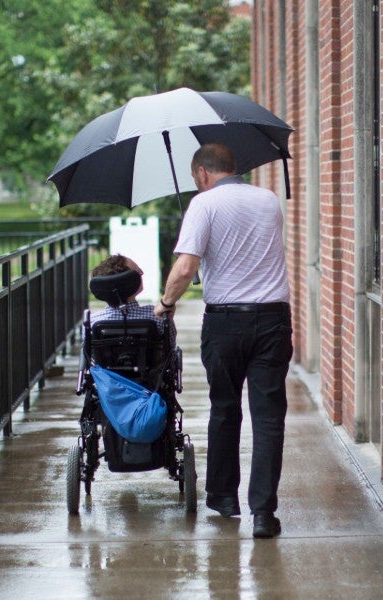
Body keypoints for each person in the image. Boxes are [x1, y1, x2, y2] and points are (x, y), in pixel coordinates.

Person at [154, 142, 293, 538]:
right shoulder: (267, 200)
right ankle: (264, 514)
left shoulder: (204, 204)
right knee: (268, 419)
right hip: (272, 320)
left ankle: (224, 498)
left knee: (225, 409)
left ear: (201, 174)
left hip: (226, 322)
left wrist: (166, 303)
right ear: (233, 166)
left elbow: (185, 268)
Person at [90, 254, 176, 345]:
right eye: (138, 272)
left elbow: (89, 354)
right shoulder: (158, 316)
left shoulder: (93, 321)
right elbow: (170, 346)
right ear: (131, 282)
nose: (142, 274)